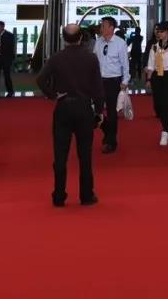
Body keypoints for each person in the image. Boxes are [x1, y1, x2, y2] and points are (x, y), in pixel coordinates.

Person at [35, 23, 104, 207]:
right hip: (84, 108)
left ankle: (59, 196)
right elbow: (98, 87)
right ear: (81, 38)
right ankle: (86, 195)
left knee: (60, 155)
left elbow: (40, 79)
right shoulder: (91, 58)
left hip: (63, 108)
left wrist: (52, 95)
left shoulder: (56, 58)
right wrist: (99, 111)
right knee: (85, 155)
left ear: (63, 38)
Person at [93, 16, 130, 154]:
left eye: (103, 26)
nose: (101, 28)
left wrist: (125, 81)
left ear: (111, 28)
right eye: (101, 25)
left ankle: (111, 142)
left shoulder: (120, 43)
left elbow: (125, 64)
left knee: (112, 112)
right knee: (95, 111)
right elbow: (93, 61)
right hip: (98, 81)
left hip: (114, 82)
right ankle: (108, 131)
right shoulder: (98, 42)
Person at [0, 21, 16, 98]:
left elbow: (9, 46)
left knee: (6, 75)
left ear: (2, 26)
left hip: (6, 58)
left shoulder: (9, 35)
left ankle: (10, 92)